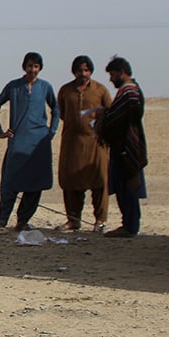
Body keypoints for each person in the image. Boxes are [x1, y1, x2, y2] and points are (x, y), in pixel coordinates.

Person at [0, 52, 59, 231]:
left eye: (36, 66)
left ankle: (23, 221)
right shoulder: (13, 87)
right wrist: (0, 131)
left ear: (40, 68)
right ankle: (2, 220)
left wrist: (51, 132)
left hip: (39, 144)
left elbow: (56, 109)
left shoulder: (45, 87)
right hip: (18, 141)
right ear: (24, 67)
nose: (32, 70)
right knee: (10, 182)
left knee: (34, 184)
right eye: (30, 66)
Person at [55, 55, 112, 232]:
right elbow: (61, 113)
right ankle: (73, 219)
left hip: (96, 143)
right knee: (70, 182)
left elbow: (110, 113)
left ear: (91, 71)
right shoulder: (66, 90)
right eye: (80, 70)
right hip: (72, 143)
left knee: (99, 182)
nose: (83, 73)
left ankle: (100, 220)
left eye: (86, 70)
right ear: (74, 71)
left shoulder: (101, 90)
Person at [97, 56, 147, 238]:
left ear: (121, 73)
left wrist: (105, 120)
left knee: (129, 186)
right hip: (122, 146)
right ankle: (128, 223)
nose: (110, 79)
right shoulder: (127, 92)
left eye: (112, 75)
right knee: (123, 186)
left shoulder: (129, 93)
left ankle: (130, 226)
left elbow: (124, 119)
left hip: (127, 147)